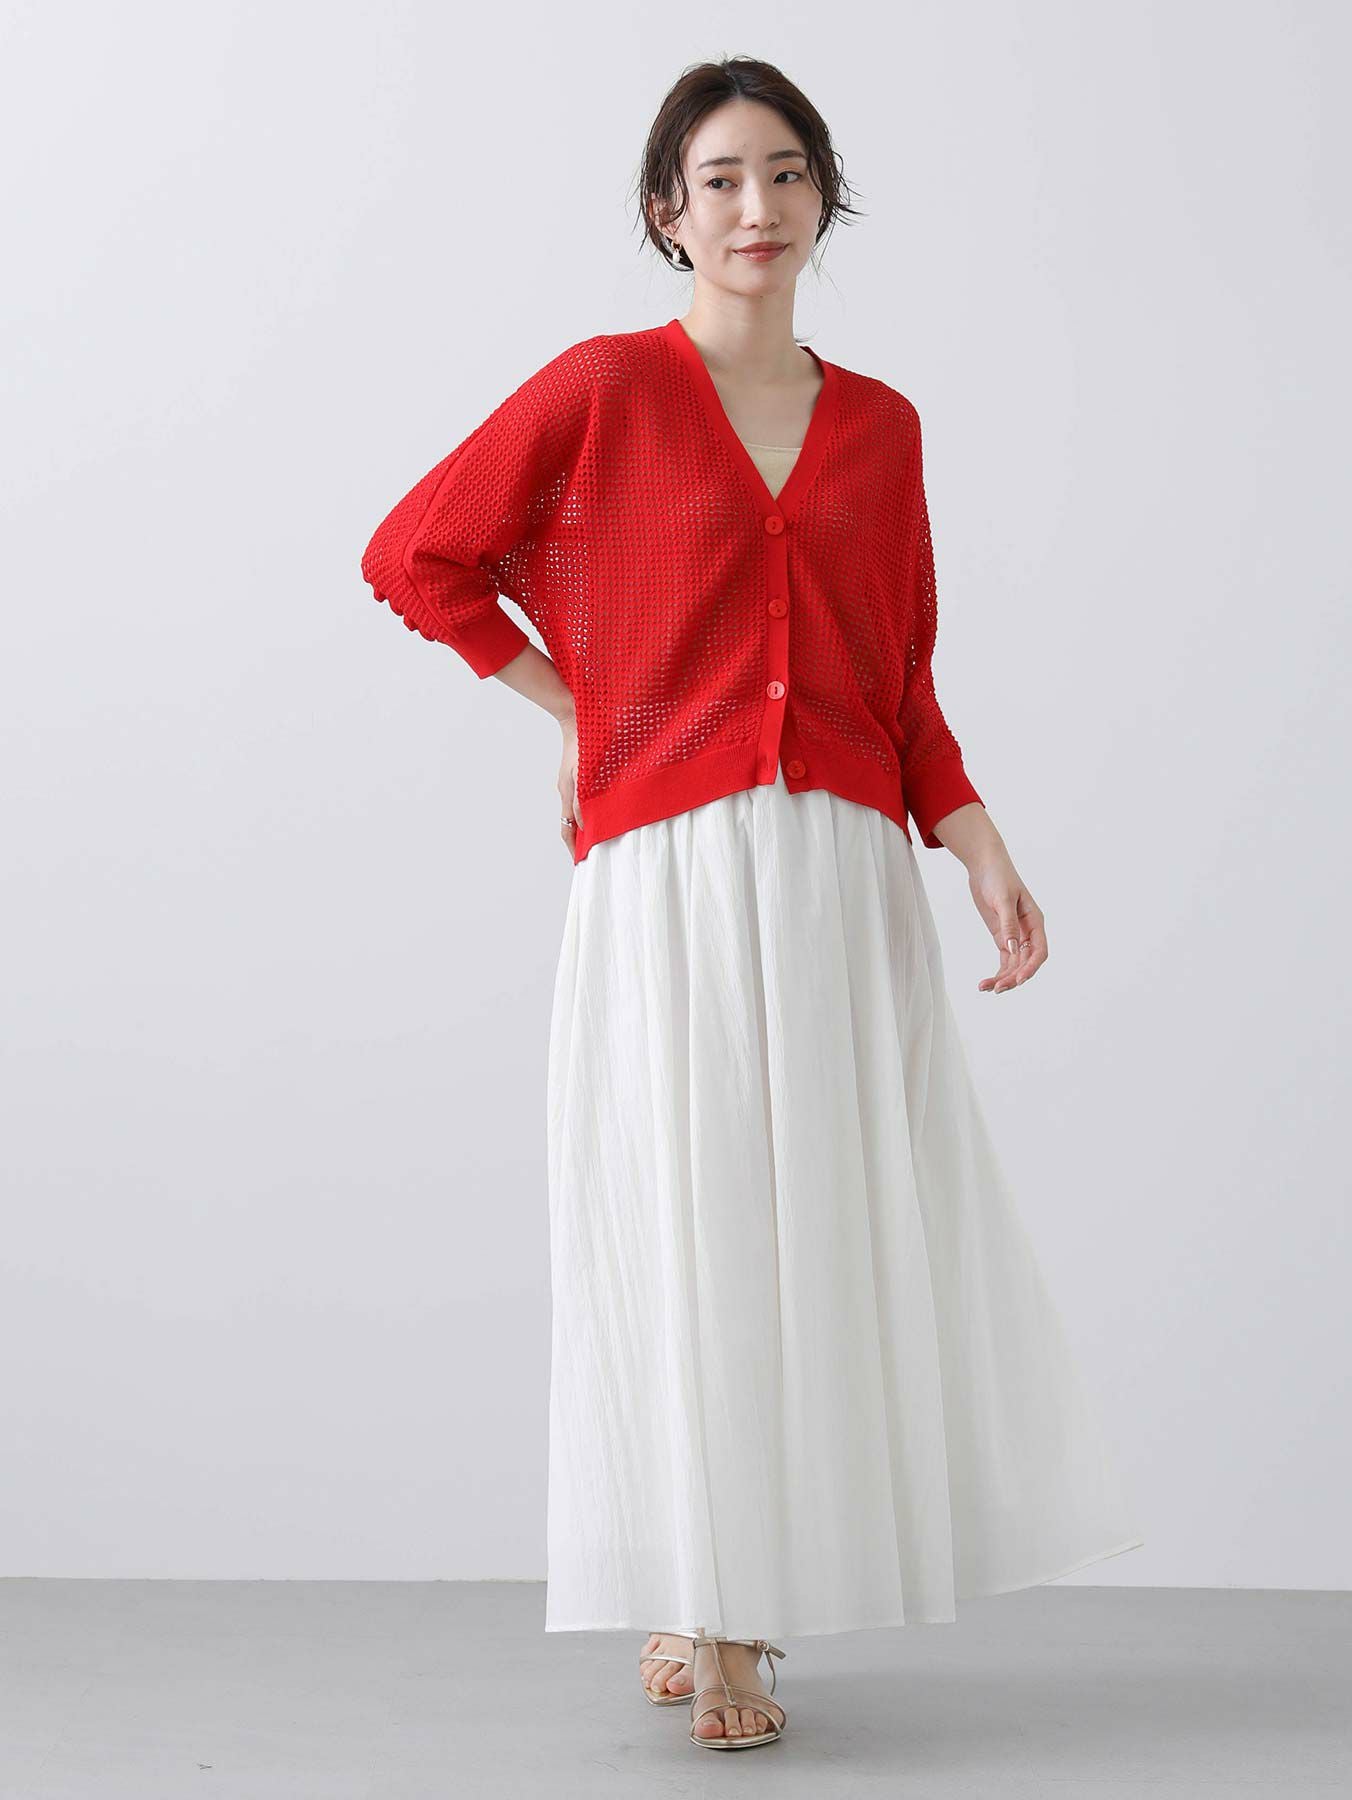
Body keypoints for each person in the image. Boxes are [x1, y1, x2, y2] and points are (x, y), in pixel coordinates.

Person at [360, 55, 1143, 1757]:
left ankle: (735, 1597)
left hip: (839, 877)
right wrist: (583, 713)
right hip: (672, 873)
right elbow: (419, 555)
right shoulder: (606, 390)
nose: (755, 207)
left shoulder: (882, 428)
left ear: (823, 198)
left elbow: (897, 672)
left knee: (809, 1244)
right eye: (718, 179)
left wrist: (976, 839)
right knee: (691, 1221)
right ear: (667, 212)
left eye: (785, 174)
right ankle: (708, 1610)